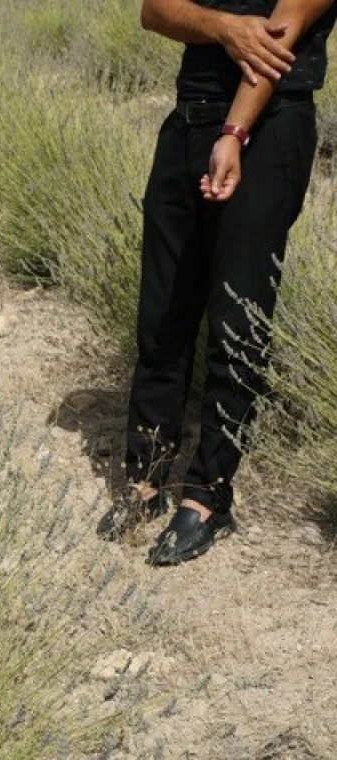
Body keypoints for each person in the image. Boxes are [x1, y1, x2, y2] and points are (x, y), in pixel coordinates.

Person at [97, 0, 337, 564]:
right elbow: (155, 11)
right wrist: (225, 28)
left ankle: (208, 493)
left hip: (267, 126)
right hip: (187, 119)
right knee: (163, 309)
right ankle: (148, 474)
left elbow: (277, 40)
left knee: (238, 314)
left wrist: (233, 132)